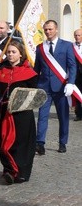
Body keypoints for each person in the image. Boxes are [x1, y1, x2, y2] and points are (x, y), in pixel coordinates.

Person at [0, 43, 39, 184]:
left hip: (22, 114)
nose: (10, 54)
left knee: (21, 143)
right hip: (3, 112)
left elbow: (35, 93)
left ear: (21, 54)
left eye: (14, 52)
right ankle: (9, 170)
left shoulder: (29, 73)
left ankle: (20, 173)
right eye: (8, 52)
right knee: (3, 142)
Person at [34, 20, 77, 154]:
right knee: (42, 116)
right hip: (44, 87)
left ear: (56, 29)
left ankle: (62, 142)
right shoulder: (40, 47)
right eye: (46, 29)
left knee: (63, 116)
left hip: (61, 87)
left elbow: (72, 66)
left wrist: (71, 83)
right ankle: (40, 143)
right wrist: (32, 84)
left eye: (50, 29)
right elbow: (36, 68)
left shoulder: (67, 46)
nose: (48, 32)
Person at [73, 28, 82, 121]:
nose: (77, 37)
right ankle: (78, 114)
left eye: (79, 35)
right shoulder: (71, 46)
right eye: (76, 35)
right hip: (76, 75)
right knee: (77, 95)